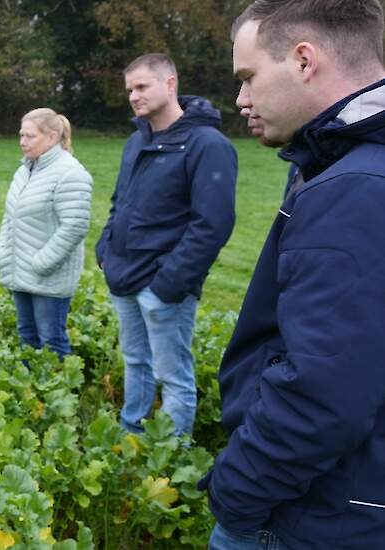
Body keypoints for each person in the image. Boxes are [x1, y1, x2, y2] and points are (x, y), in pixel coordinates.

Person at [203, 1, 385, 548]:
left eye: (248, 76)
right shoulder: (343, 167)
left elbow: (321, 396)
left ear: (304, 60)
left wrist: (235, 497)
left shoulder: (353, 189)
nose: (240, 99)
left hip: (323, 514)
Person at [95, 53, 237, 436]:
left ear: (170, 84)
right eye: (129, 90)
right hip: (123, 276)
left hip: (163, 287)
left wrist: (168, 284)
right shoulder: (135, 142)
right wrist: (104, 251)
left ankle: (170, 460)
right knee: (135, 361)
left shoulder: (207, 144)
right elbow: (118, 202)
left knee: (173, 376)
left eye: (142, 86)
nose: (133, 97)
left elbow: (213, 224)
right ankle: (132, 432)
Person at [0, 108, 92, 360]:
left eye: (29, 136)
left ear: (51, 137)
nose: (22, 142)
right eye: (21, 135)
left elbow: (74, 226)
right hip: (20, 270)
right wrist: (2, 252)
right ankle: (30, 394)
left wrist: (41, 263)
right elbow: (10, 216)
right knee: (27, 336)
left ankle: (55, 395)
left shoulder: (70, 174)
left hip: (48, 277)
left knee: (51, 342)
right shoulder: (25, 170)